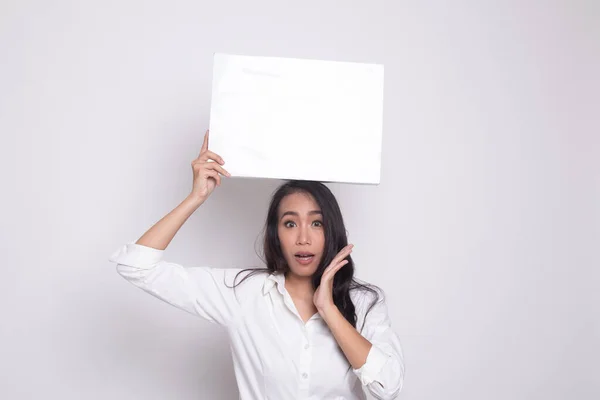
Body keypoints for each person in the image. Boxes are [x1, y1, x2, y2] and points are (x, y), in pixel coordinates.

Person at [109, 130, 405, 399]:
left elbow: (388, 387)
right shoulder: (244, 293)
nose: (303, 237)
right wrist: (196, 197)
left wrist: (328, 309)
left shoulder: (365, 302)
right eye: (290, 223)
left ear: (333, 230)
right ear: (276, 233)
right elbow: (137, 266)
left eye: (317, 223)